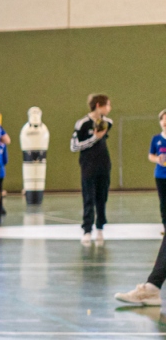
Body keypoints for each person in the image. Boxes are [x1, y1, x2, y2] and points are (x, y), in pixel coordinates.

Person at [71, 93, 114, 245]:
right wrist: (94, 138)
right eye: (107, 105)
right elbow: (74, 146)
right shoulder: (82, 123)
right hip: (88, 166)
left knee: (102, 197)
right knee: (88, 197)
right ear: (98, 105)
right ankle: (87, 230)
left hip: (104, 165)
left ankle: (100, 227)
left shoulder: (108, 122)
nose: (109, 108)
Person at [150, 110, 166, 228]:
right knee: (163, 201)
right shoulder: (156, 139)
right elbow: (151, 155)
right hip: (161, 175)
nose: (165, 121)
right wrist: (157, 159)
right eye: (162, 119)